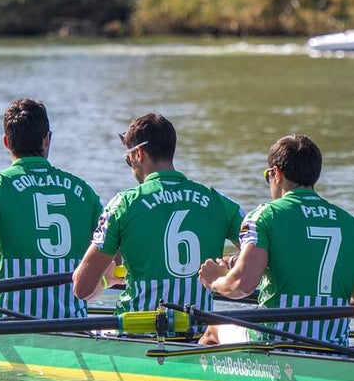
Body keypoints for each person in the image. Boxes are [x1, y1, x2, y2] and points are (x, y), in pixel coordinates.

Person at [198, 134, 354, 346]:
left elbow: (241, 285)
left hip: (276, 341)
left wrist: (216, 280)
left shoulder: (264, 216)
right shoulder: (352, 225)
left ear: (276, 173)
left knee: (214, 329)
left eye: (267, 176)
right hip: (333, 345)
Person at [73, 114, 243, 323]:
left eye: (128, 159)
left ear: (138, 154)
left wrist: (107, 281)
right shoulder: (219, 202)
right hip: (196, 334)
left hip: (137, 335)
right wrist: (230, 263)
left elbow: (81, 288)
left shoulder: (123, 204)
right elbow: (259, 257)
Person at [0, 98, 102, 319]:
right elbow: (114, 254)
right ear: (46, 139)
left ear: (7, 142)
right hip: (72, 321)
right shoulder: (84, 191)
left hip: (10, 319)